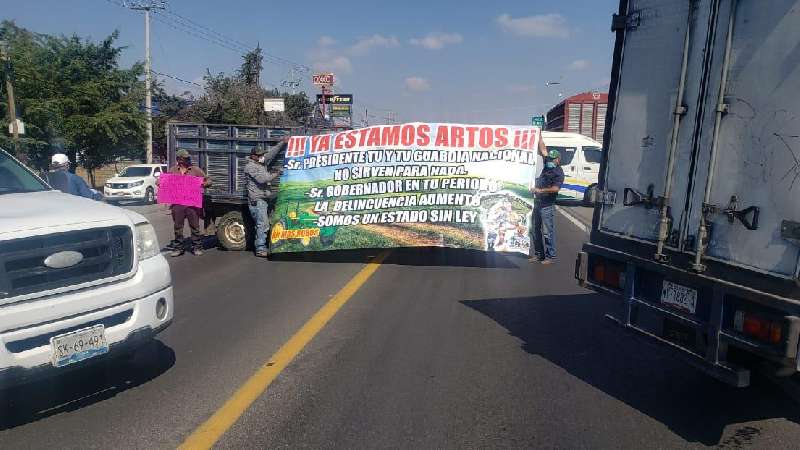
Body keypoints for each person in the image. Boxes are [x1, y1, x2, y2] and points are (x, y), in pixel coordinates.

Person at [244, 137, 289, 258]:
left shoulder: (260, 162)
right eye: (258, 155)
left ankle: (266, 245)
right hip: (257, 200)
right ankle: (260, 248)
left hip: (263, 199)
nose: (261, 157)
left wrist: (282, 143)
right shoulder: (251, 167)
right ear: (253, 156)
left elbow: (270, 154)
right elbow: (263, 179)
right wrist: (277, 173)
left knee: (267, 223)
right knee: (262, 224)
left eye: (261, 155)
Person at [167, 149, 211, 257]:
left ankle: (197, 247)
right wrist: (160, 182)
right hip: (177, 203)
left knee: (195, 226)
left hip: (192, 203)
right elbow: (164, 182)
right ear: (179, 159)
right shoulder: (173, 170)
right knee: (178, 227)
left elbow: (208, 180)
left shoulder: (195, 170)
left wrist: (202, 184)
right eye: (185, 158)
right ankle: (178, 248)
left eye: (188, 158)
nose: (188, 160)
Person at [529, 142, 564, 265]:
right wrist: (538, 134)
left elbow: (555, 189)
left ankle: (550, 256)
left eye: (552, 159)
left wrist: (540, 190)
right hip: (537, 203)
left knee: (547, 232)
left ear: (558, 160)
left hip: (547, 205)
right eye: (548, 158)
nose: (549, 160)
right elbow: (543, 149)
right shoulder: (547, 166)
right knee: (534, 230)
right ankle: (539, 254)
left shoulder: (558, 172)